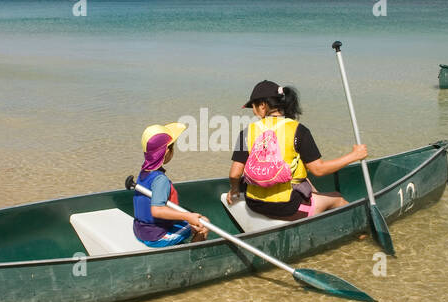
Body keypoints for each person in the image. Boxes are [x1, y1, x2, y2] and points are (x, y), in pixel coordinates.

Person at [227, 80, 367, 220]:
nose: (253, 110)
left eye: (253, 106)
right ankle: (361, 231)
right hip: (287, 208)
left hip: (254, 203)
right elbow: (319, 170)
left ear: (263, 105)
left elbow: (234, 174)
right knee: (337, 198)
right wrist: (354, 155)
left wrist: (234, 189)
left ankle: (315, 201)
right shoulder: (298, 130)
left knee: (302, 175)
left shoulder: (246, 132)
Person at [132, 122, 209, 247]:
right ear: (167, 152)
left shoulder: (144, 172)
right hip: (156, 237)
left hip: (140, 231)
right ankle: (190, 258)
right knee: (204, 223)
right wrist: (188, 216)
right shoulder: (160, 180)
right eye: (173, 148)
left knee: (190, 221)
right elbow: (157, 210)